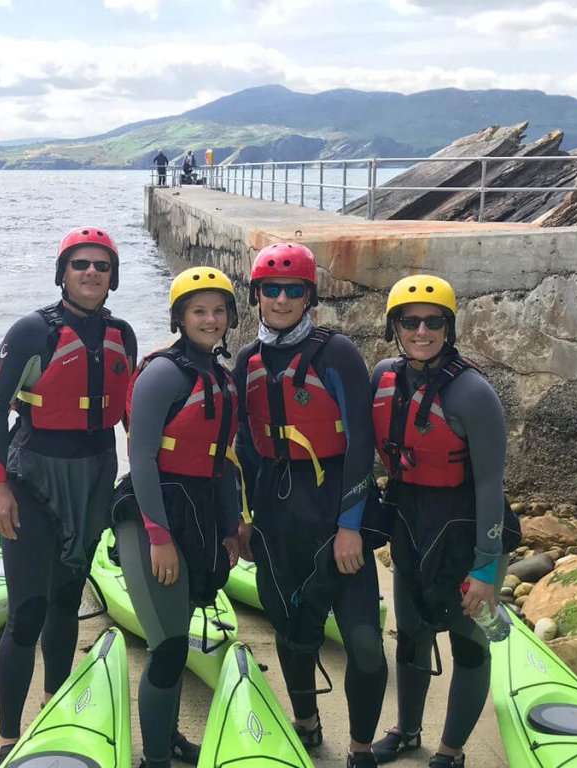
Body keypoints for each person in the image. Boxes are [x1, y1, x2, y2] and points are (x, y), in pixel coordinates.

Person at [0, 227, 138, 767]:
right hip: (34, 476)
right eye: (80, 264)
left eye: (101, 265)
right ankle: (6, 738)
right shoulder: (32, 331)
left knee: (68, 603)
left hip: (94, 475)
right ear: (63, 272)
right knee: (27, 613)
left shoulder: (123, 334)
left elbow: (134, 405)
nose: (91, 272)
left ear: (113, 276)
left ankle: (55, 708)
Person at [233, 242, 388, 768]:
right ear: (256, 295)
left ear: (308, 296)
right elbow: (246, 449)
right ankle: (306, 721)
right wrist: (247, 520)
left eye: (292, 290)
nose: (280, 299)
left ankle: (361, 748)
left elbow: (362, 444)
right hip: (277, 514)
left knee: (364, 644)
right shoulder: (246, 360)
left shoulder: (336, 352)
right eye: (271, 290)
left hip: (333, 507)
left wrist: (351, 526)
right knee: (290, 629)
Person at [368, 274, 515, 768]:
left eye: (434, 322)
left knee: (470, 646)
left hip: (466, 528)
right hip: (411, 524)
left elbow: (490, 484)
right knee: (411, 636)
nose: (422, 331)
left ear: (450, 329)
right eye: (410, 322)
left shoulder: (473, 393)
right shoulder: (383, 378)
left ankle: (450, 753)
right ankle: (408, 731)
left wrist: (487, 569)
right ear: (395, 327)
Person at [113, 267, 244, 768]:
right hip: (153, 514)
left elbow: (221, 461)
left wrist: (230, 527)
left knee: (179, 632)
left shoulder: (222, 378)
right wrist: (158, 536)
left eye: (218, 311)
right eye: (198, 311)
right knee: (167, 647)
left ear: (229, 318)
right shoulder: (163, 374)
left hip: (200, 511)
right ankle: (155, 759)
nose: (210, 320)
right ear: (180, 317)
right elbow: (142, 458)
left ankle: (168, 741)